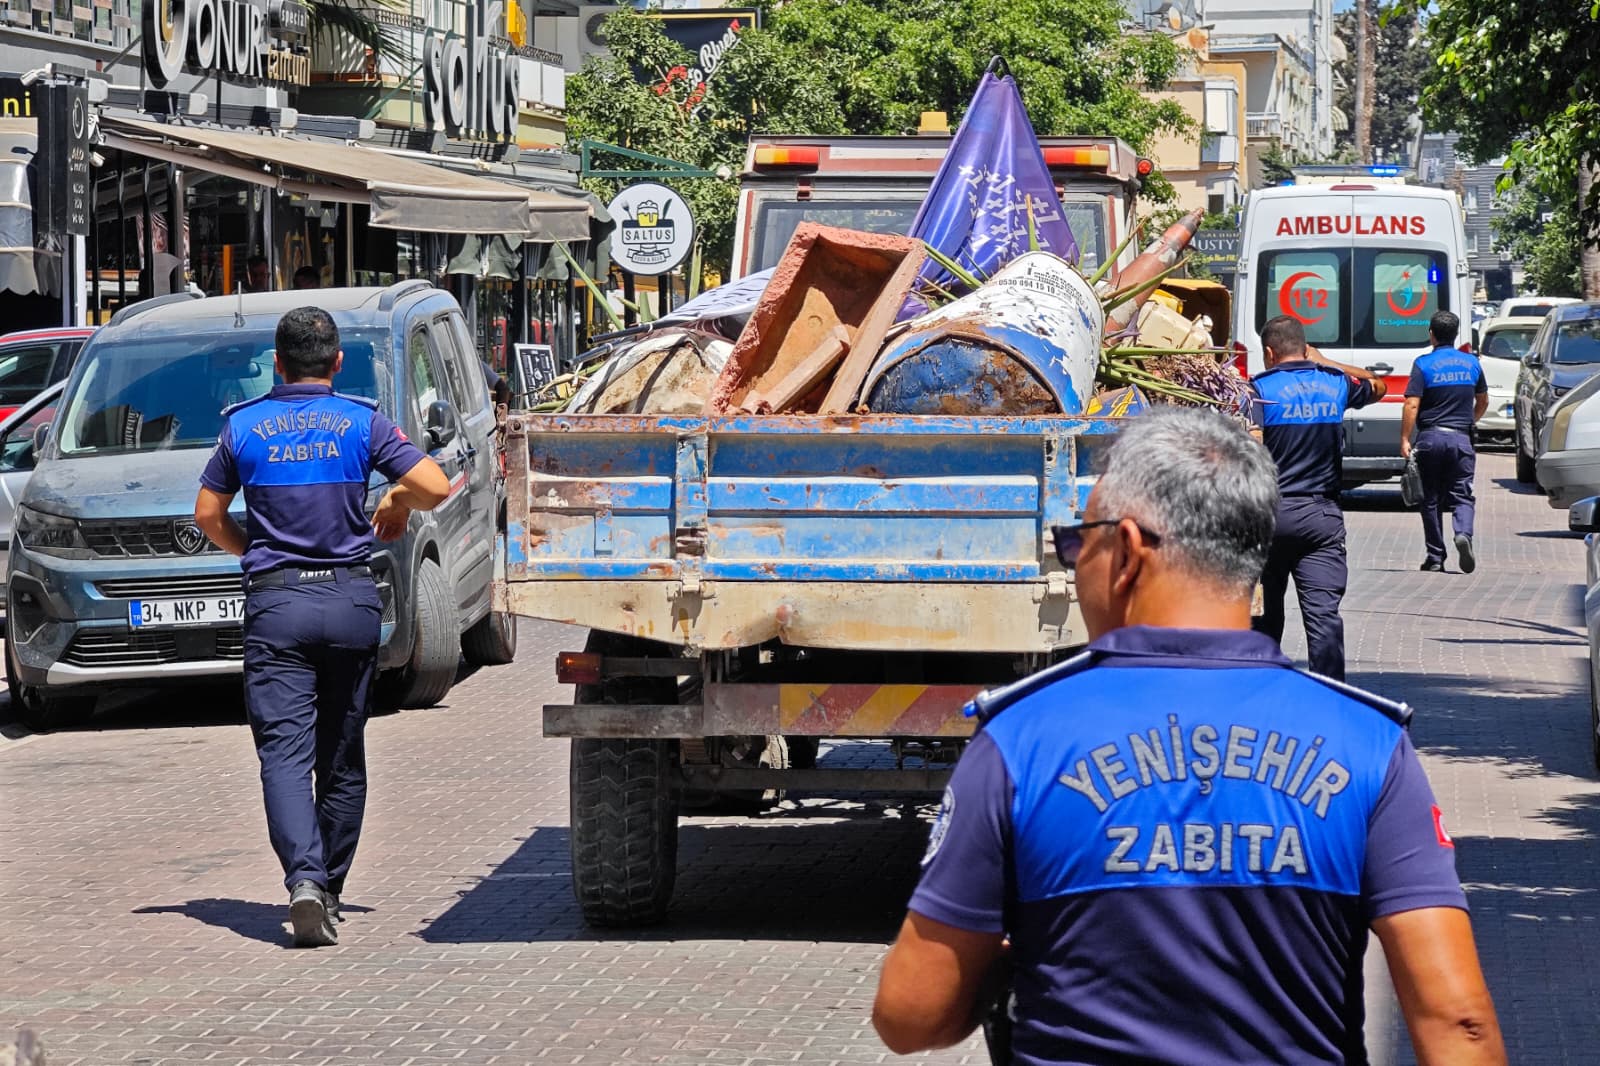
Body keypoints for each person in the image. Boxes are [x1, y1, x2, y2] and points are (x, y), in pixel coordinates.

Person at [872, 408, 1504, 1066]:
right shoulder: (1366, 742)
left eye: (1075, 543)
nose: (1073, 563)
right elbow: (1457, 1024)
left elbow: (910, 1017)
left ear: (1126, 551)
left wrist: (1004, 970)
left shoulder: (1020, 740)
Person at [193, 307, 450, 947]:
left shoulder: (242, 427)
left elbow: (207, 514)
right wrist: (392, 501)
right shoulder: (363, 422)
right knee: (341, 753)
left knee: (284, 754)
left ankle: (303, 881)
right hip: (349, 604)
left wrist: (250, 549)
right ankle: (328, 889)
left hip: (277, 606)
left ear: (276, 364)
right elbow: (436, 486)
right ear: (337, 364)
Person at [1247, 314, 1386, 681]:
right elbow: (1379, 385)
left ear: (1269, 352)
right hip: (1321, 519)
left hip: (1269, 518)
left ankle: (1265, 691)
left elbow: (1251, 448)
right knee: (1323, 618)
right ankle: (1330, 698)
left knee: (1264, 616)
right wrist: (1327, 362)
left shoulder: (1259, 390)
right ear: (1305, 347)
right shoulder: (1335, 383)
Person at [1401, 310, 1488, 574]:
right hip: (1461, 439)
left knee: (1430, 498)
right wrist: (1468, 422)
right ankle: (1463, 533)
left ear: (1431, 334)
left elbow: (1411, 403)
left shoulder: (1423, 364)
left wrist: (1405, 438)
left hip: (1430, 438)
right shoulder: (1471, 363)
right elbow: (1483, 401)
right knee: (1462, 495)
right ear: (1456, 333)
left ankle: (1435, 557)